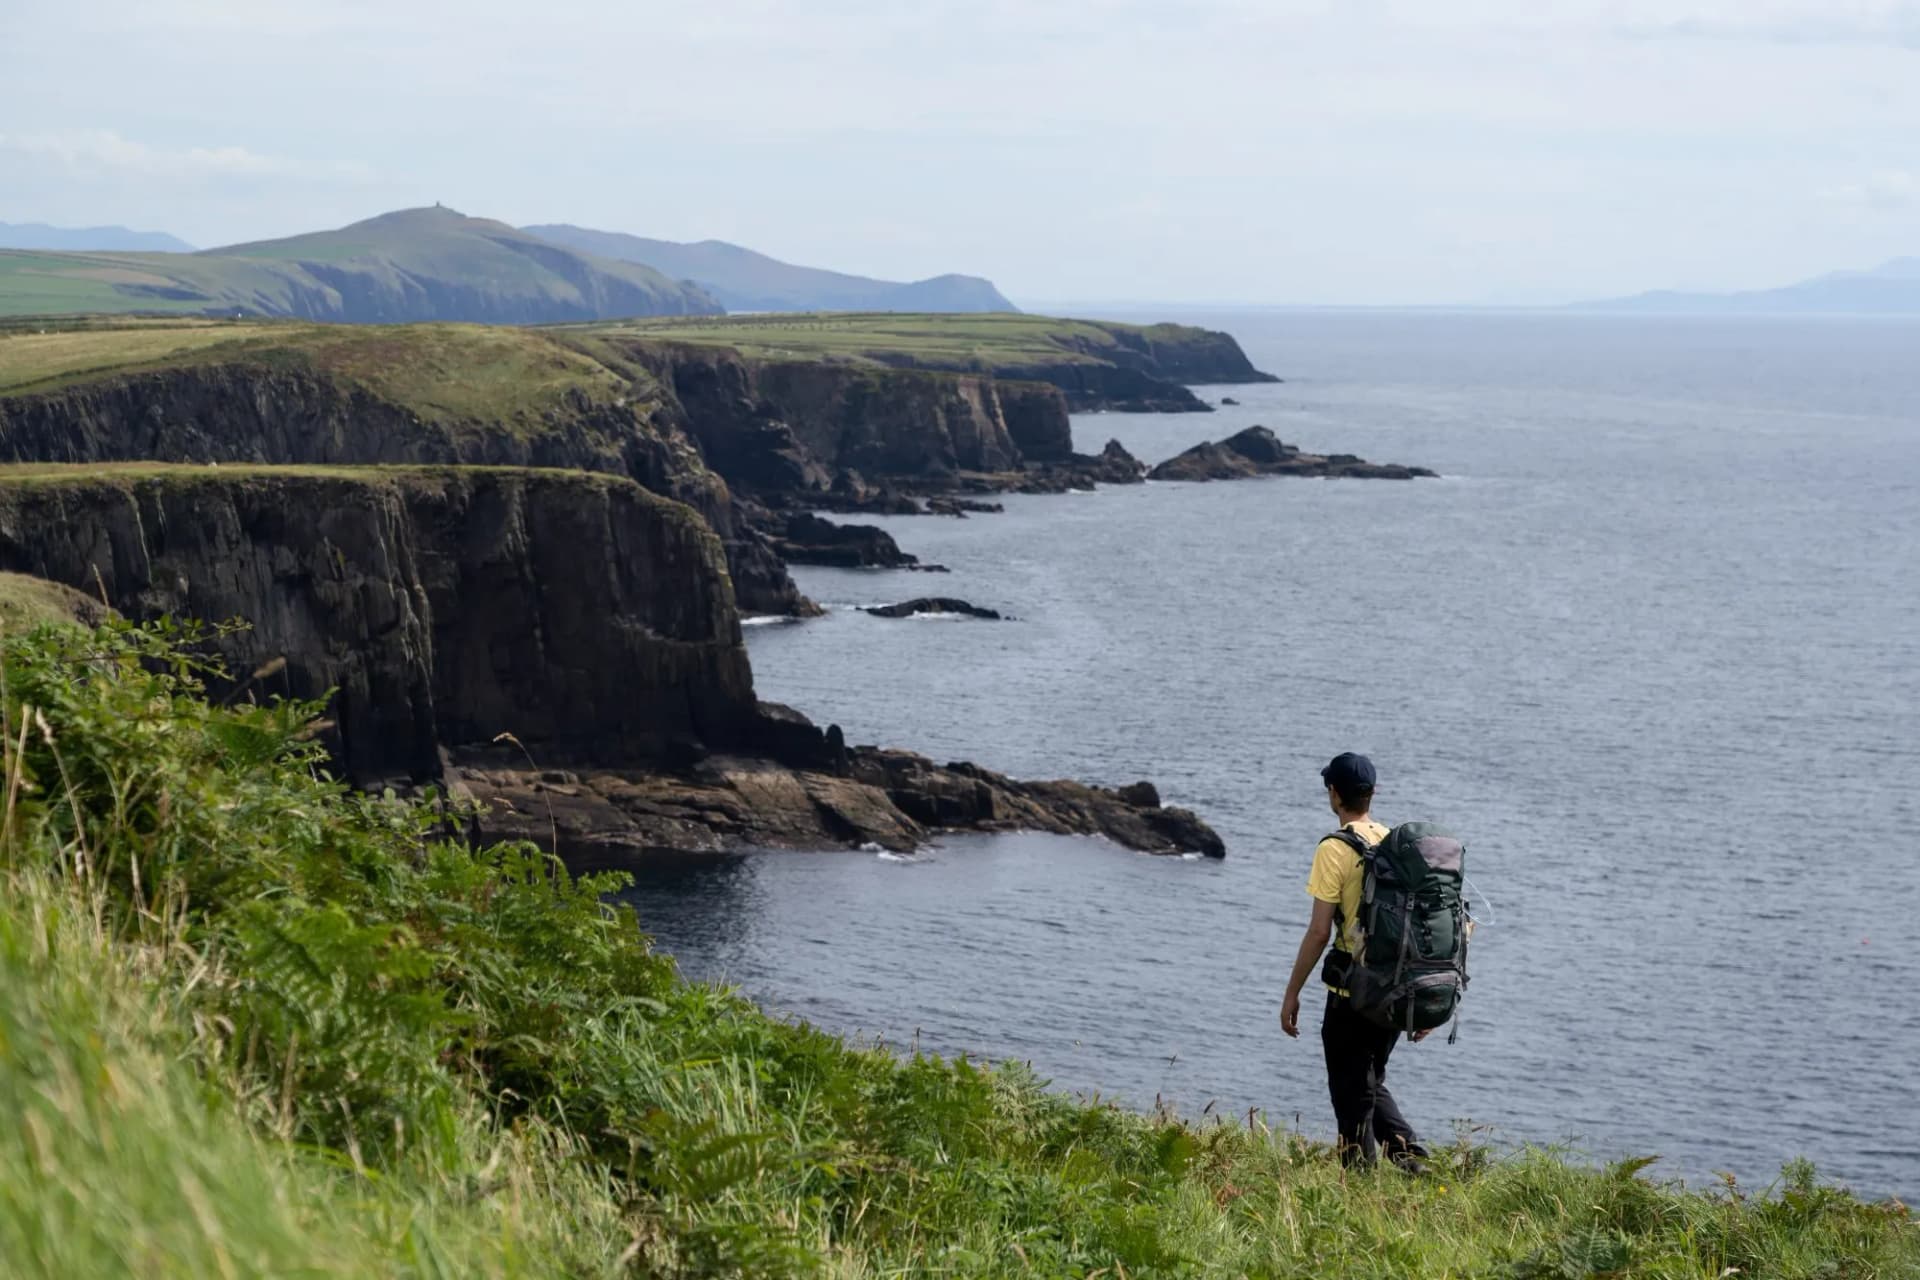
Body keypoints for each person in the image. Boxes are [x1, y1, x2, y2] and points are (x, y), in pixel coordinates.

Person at [1280, 752, 1432, 1172]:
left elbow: (1318, 932)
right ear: (1372, 794)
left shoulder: (1335, 848)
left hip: (1351, 993)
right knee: (1368, 1081)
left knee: (1350, 1099)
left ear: (1334, 793)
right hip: (1394, 990)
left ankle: (1360, 1190)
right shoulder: (1393, 842)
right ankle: (1410, 1159)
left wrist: (1292, 993)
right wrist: (1427, 1000)